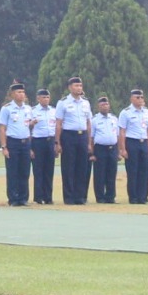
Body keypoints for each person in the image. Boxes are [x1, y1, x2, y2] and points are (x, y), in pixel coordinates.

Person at [56, 77, 94, 205]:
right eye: (76, 85)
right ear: (70, 87)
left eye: (80, 85)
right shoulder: (63, 103)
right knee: (68, 167)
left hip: (82, 136)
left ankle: (80, 196)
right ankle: (69, 197)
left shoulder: (86, 103)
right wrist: (58, 142)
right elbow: (59, 124)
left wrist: (89, 142)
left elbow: (89, 123)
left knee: (82, 167)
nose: (79, 88)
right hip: (68, 136)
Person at [0, 82, 32, 207]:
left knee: (25, 171)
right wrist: (4, 146)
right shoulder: (6, 108)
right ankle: (13, 198)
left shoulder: (28, 109)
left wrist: (31, 145)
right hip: (13, 142)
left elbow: (29, 127)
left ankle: (23, 198)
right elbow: (2, 128)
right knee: (13, 171)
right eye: (18, 92)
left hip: (25, 142)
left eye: (23, 92)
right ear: (12, 94)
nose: (21, 95)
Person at [120, 90, 148, 204]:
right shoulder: (126, 112)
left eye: (141, 97)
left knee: (144, 170)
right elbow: (122, 132)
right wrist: (123, 148)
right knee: (132, 171)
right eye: (137, 97)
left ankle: (142, 196)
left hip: (143, 142)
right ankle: (133, 197)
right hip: (132, 142)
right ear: (131, 99)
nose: (140, 99)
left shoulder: (146, 112)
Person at [28, 93, 59, 204]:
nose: (46, 99)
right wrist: (30, 147)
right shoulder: (33, 111)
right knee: (38, 170)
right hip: (38, 142)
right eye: (43, 97)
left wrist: (56, 144)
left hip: (50, 141)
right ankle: (38, 197)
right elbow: (28, 129)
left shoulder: (53, 111)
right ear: (38, 98)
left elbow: (57, 127)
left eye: (47, 97)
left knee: (49, 170)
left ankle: (48, 197)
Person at [90, 98, 122, 203]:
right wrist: (92, 153)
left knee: (111, 173)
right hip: (100, 149)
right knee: (100, 174)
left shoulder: (114, 119)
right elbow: (91, 138)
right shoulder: (94, 120)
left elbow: (117, 136)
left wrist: (118, 151)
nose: (105, 106)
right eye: (103, 105)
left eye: (107, 104)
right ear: (99, 107)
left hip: (112, 148)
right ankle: (100, 197)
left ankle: (110, 196)